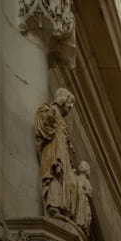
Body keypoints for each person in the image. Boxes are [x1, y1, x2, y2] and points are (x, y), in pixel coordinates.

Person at [34, 88, 77, 221]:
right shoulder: (48, 110)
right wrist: (49, 118)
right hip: (53, 150)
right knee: (54, 174)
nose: (70, 107)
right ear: (62, 99)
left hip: (62, 152)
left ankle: (61, 206)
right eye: (69, 102)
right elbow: (42, 125)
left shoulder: (61, 120)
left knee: (68, 181)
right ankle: (53, 205)